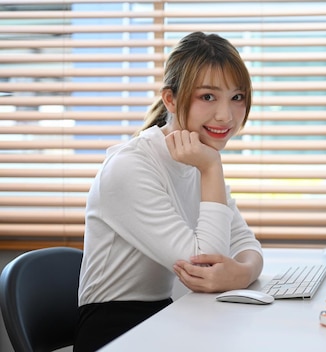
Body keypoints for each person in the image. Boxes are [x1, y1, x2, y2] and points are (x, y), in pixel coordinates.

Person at [74, 32, 263, 351]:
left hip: (162, 317)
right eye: (208, 96)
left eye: (237, 97)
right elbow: (205, 270)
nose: (226, 115)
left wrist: (241, 273)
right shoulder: (131, 167)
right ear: (171, 99)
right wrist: (211, 167)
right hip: (115, 331)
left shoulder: (196, 156)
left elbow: (246, 243)